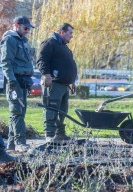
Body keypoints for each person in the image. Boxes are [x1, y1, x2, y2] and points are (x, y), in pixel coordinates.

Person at [37, 23, 78, 143]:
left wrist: (72, 81)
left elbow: (70, 65)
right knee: (51, 108)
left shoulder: (65, 48)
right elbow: (41, 60)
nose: (72, 36)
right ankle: (49, 135)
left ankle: (60, 134)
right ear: (62, 32)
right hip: (54, 84)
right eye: (70, 33)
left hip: (64, 85)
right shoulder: (49, 43)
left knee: (62, 112)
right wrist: (46, 74)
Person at [0, 16, 35, 152]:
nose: (27, 31)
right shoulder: (10, 40)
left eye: (29, 29)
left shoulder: (21, 41)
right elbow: (6, 62)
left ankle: (12, 144)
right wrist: (12, 80)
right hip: (15, 81)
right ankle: (20, 143)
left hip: (22, 80)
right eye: (26, 28)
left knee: (19, 111)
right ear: (16, 25)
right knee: (17, 111)